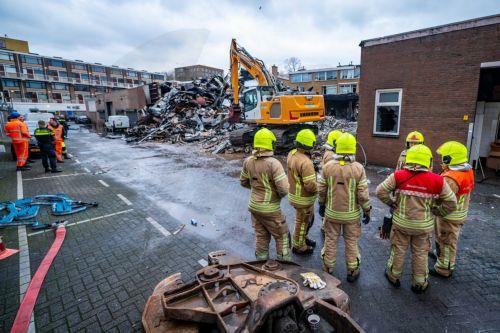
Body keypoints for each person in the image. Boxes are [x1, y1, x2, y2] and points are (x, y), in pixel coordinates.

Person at [376, 144, 457, 293]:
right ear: (429, 161)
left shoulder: (398, 176)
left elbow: (380, 191)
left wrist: (392, 203)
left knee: (398, 250)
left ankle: (393, 276)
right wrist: (438, 212)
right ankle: (419, 283)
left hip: (401, 223)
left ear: (408, 159)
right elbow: (452, 202)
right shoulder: (438, 180)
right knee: (420, 253)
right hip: (423, 226)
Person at [318, 133, 371, 281]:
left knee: (330, 241)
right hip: (351, 216)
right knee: (351, 242)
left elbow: (321, 189)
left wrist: (321, 205)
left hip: (331, 214)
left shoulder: (327, 167)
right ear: (353, 149)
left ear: (338, 148)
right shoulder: (358, 168)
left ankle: (328, 269)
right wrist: (367, 210)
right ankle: (352, 271)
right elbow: (363, 195)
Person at [240, 128, 291, 261]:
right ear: (270, 144)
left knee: (261, 236)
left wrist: (257, 188)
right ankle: (284, 265)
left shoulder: (248, 161)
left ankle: (261, 264)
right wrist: (276, 195)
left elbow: (243, 182)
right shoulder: (274, 164)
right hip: (271, 209)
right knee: (282, 236)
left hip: (254, 207)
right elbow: (284, 189)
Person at [429, 141, 474, 278]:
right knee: (443, 237)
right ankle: (440, 254)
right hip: (458, 214)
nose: (442, 160)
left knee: (447, 241)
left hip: (448, 215)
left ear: (450, 159)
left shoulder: (451, 178)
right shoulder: (466, 171)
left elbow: (441, 198)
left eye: (444, 157)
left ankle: (444, 268)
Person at [287, 129, 318, 255]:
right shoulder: (306, 162)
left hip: (294, 195)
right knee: (302, 222)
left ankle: (302, 239)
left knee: (307, 220)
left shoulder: (292, 153)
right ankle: (299, 246)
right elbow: (310, 185)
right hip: (303, 199)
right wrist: (321, 189)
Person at [321, 129, 343, 235]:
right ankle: (325, 227)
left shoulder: (329, 152)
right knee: (329, 205)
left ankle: (325, 225)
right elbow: (332, 172)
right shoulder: (330, 156)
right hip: (331, 185)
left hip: (329, 184)